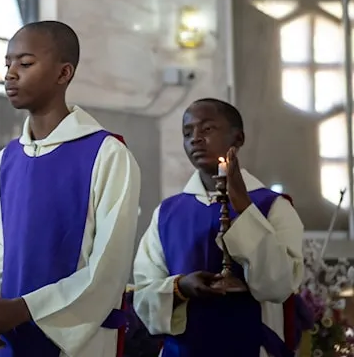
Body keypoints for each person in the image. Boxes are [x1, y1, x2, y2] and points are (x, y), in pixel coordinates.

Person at [0, 21, 142, 357]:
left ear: (64, 73)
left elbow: (109, 267)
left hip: (77, 340)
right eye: (8, 64)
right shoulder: (6, 160)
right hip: (10, 335)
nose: (10, 74)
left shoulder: (106, 154)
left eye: (25, 63)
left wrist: (26, 308)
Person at [131, 98, 305, 356]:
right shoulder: (166, 214)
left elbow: (278, 285)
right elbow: (143, 295)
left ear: (238, 138)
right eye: (187, 133)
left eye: (207, 128)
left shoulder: (273, 207)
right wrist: (180, 287)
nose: (195, 139)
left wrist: (244, 207)